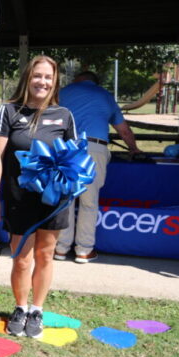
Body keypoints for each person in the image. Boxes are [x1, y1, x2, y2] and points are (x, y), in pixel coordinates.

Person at [0, 55, 76, 338]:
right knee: (22, 258)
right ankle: (20, 308)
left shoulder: (65, 115)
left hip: (53, 201)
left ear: (55, 82)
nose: (43, 82)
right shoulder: (9, 111)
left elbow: (73, 157)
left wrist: (74, 180)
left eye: (49, 77)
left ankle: (37, 310)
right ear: (28, 78)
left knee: (45, 256)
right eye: (38, 76)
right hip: (18, 199)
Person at [55, 71, 141, 263]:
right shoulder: (105, 96)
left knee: (65, 200)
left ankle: (60, 248)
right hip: (95, 148)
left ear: (77, 80)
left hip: (66, 147)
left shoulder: (62, 92)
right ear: (95, 82)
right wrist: (134, 149)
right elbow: (124, 131)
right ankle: (84, 250)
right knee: (89, 202)